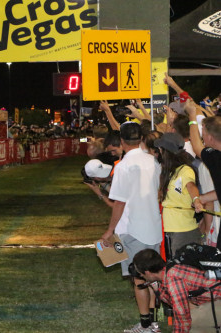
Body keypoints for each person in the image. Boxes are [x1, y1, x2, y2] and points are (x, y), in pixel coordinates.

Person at [99, 122, 162, 333]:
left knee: (139, 279)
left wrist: (109, 231)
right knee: (153, 276)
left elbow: (119, 202)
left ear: (122, 142)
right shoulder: (154, 160)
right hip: (154, 225)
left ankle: (146, 325)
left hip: (133, 228)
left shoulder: (124, 166)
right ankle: (153, 322)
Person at [133, 249, 221, 333]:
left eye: (141, 274)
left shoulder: (173, 280)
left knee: (192, 322)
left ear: (147, 272)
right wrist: (157, 290)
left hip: (217, 301)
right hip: (214, 300)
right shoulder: (170, 268)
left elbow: (182, 318)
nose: (142, 277)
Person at [154, 132, 203, 256]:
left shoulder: (185, 170)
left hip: (183, 231)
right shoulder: (171, 171)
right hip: (172, 229)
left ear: (165, 151)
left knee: (180, 269)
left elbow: (191, 185)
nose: (159, 151)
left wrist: (196, 200)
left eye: (160, 148)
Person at [185, 99, 221, 248]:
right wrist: (202, 198)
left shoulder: (215, 157)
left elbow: (196, 146)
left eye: (204, 135)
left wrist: (192, 117)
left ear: (211, 138)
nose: (202, 138)